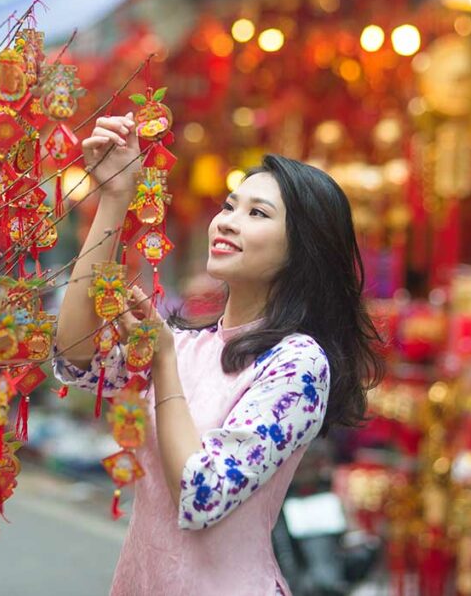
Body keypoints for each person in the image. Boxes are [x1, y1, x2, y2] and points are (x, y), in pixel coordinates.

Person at [53, 112, 385, 595]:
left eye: (258, 214)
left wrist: (163, 364)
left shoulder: (297, 364)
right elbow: (74, 356)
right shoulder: (188, 344)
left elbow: (201, 494)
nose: (227, 222)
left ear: (302, 250)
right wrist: (114, 197)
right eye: (230, 206)